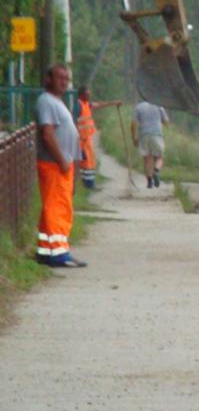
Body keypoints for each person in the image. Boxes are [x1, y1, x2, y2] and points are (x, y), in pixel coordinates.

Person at [34, 64, 86, 268]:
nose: (64, 82)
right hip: (54, 164)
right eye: (59, 78)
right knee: (57, 208)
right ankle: (59, 253)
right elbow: (47, 134)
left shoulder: (57, 102)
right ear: (48, 79)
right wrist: (62, 160)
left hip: (62, 165)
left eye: (66, 78)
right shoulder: (46, 101)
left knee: (55, 207)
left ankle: (46, 250)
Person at [74, 85, 121, 190]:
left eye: (89, 94)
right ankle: (88, 184)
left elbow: (100, 104)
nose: (89, 96)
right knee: (86, 162)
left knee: (89, 161)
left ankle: (89, 183)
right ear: (81, 95)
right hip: (81, 140)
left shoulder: (87, 104)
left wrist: (114, 103)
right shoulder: (78, 105)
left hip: (87, 139)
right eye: (87, 94)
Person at [132, 98, 170, 189]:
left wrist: (134, 138)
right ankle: (156, 170)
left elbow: (133, 124)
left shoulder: (139, 107)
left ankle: (149, 181)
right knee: (159, 157)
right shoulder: (159, 106)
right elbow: (166, 121)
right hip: (157, 134)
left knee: (147, 159)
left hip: (144, 135)